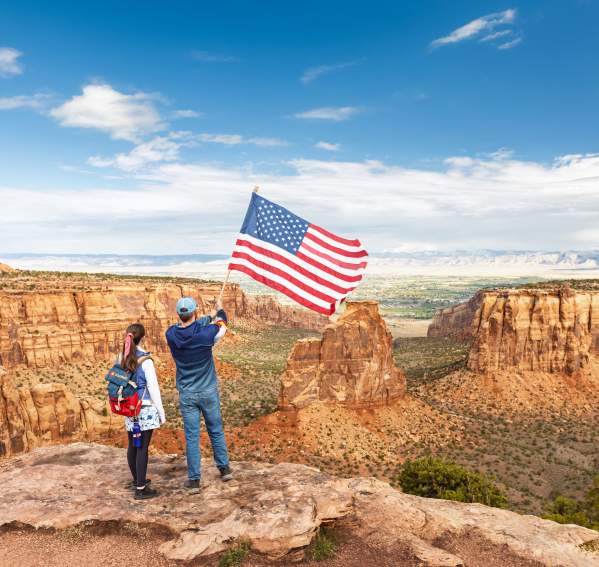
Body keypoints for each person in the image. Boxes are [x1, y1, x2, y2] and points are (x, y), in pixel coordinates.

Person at [165, 296, 232, 491]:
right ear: (194, 312)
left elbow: (188, 327)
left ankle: (194, 480)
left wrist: (206, 317)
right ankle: (225, 469)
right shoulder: (206, 335)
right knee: (216, 430)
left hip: (187, 394)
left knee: (192, 436)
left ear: (179, 314)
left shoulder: (171, 335)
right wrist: (219, 311)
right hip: (208, 391)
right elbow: (222, 326)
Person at [121, 323, 166, 500]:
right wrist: (161, 413)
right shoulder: (145, 360)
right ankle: (140, 489)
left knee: (133, 445)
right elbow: (153, 389)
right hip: (144, 408)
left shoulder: (122, 357)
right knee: (143, 449)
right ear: (142, 337)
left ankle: (136, 479)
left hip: (129, 408)